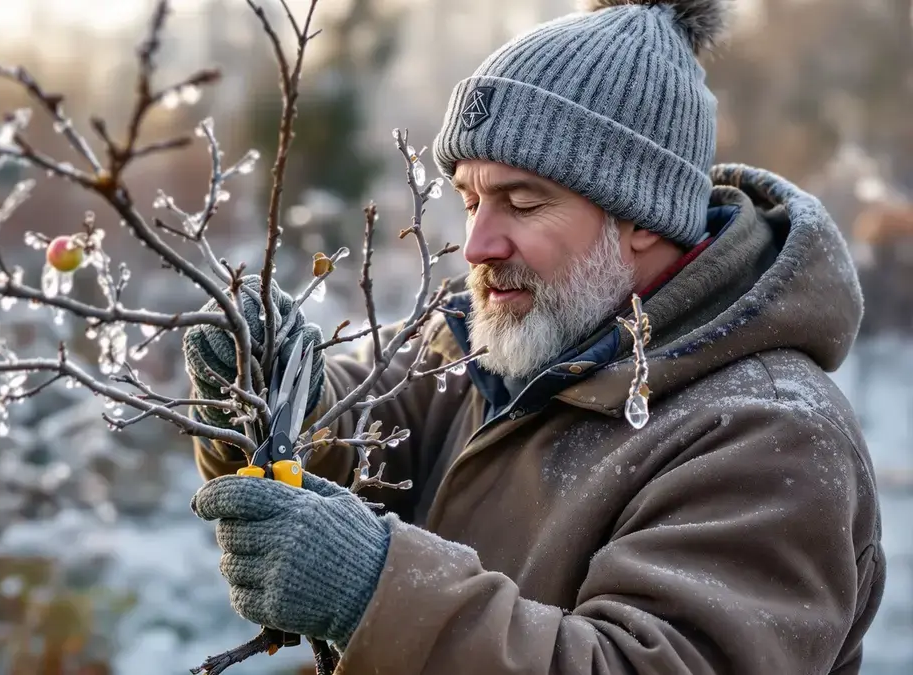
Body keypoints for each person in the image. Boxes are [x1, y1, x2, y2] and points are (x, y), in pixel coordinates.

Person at [181, 0, 887, 672]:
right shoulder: (491, 338)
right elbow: (366, 432)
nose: (477, 245)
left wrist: (376, 593)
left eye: (522, 203)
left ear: (643, 218)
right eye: (471, 201)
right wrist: (274, 393)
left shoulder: (769, 435)